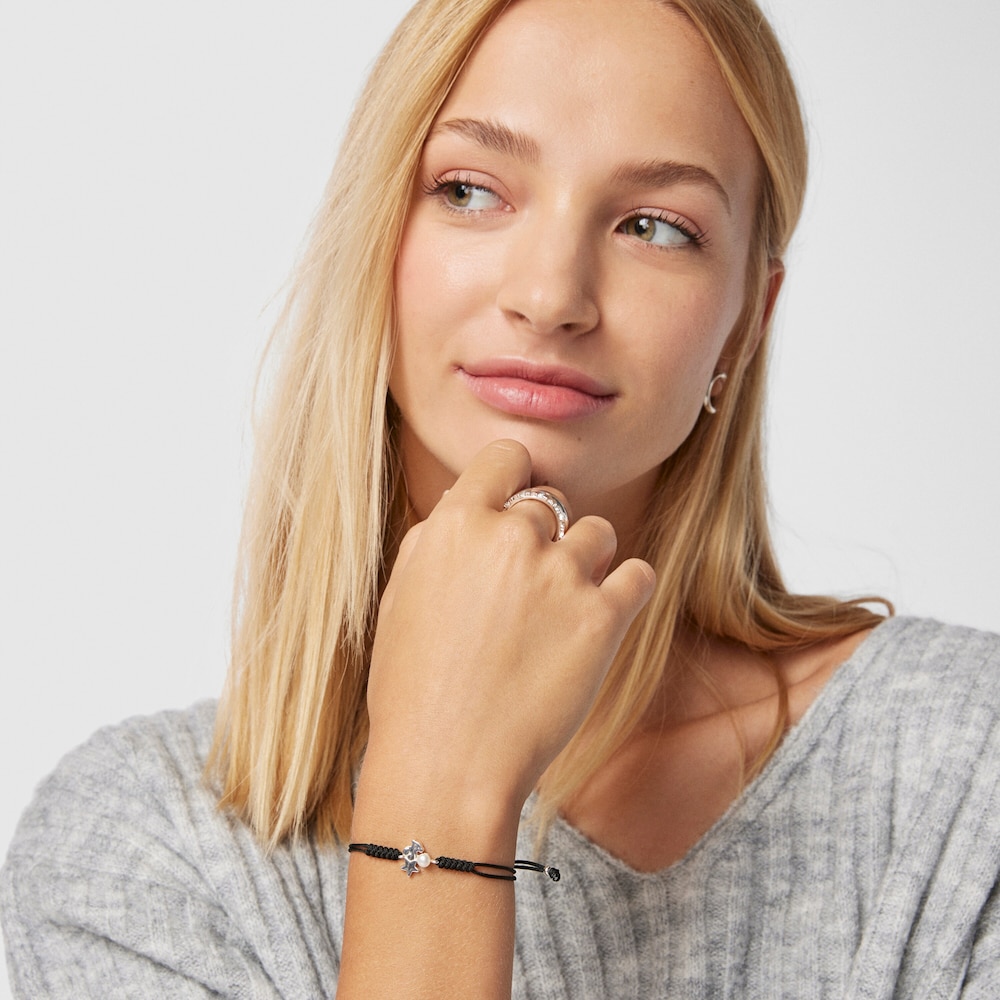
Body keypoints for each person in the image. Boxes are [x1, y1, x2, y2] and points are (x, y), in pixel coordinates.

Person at [3, 0, 999, 996]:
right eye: (472, 190)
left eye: (655, 225)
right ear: (373, 235)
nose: (551, 292)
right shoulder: (140, 856)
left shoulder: (962, 773)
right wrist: (438, 785)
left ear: (745, 321)